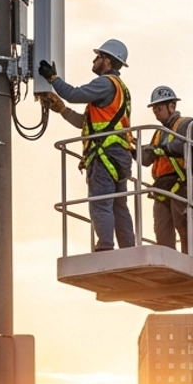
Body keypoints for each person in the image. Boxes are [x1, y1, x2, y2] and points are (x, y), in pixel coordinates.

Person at [39, 40, 136, 252]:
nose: (94, 60)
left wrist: (53, 78)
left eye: (98, 56)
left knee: (100, 202)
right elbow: (87, 124)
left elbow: (74, 94)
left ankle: (105, 247)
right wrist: (62, 110)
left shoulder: (105, 83)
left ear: (108, 61)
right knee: (119, 206)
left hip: (105, 154)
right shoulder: (120, 89)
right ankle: (128, 249)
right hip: (119, 155)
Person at [141, 85, 193, 252]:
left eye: (159, 109)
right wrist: (131, 150)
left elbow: (182, 146)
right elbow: (147, 160)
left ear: (172, 106)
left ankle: (189, 261)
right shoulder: (159, 133)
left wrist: (161, 149)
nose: (156, 113)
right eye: (154, 110)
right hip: (161, 187)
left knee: (184, 227)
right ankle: (167, 261)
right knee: (162, 231)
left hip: (179, 184)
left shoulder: (187, 124)